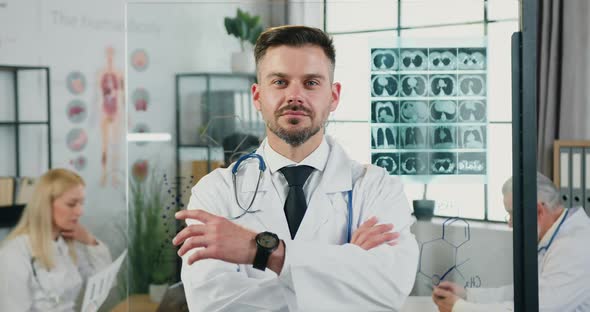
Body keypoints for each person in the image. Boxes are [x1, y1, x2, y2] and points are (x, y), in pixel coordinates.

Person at [173, 25, 419, 311]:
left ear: (334, 96)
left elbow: (388, 291)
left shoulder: (377, 188)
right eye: (279, 82)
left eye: (311, 83)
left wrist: (265, 252)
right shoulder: (215, 192)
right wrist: (346, 267)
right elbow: (214, 304)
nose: (294, 96)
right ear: (257, 96)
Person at [432, 172, 590, 311]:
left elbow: (534, 307)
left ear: (538, 211)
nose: (510, 223)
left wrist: (461, 308)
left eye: (512, 214)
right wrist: (469, 295)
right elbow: (525, 294)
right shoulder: (554, 236)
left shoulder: (575, 246)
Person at [0, 169, 112, 312]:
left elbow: (101, 284)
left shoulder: (65, 243)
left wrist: (90, 241)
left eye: (81, 203)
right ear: (45, 205)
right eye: (71, 204)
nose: (80, 212)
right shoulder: (14, 253)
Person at [98, 46, 125, 187]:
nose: (109, 56)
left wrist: (126, 114)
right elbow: (97, 95)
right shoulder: (101, 73)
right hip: (104, 111)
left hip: (116, 111)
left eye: (111, 54)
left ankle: (114, 176)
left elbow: (123, 95)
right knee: (105, 146)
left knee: (115, 145)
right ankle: (103, 174)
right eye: (107, 53)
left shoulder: (119, 73)